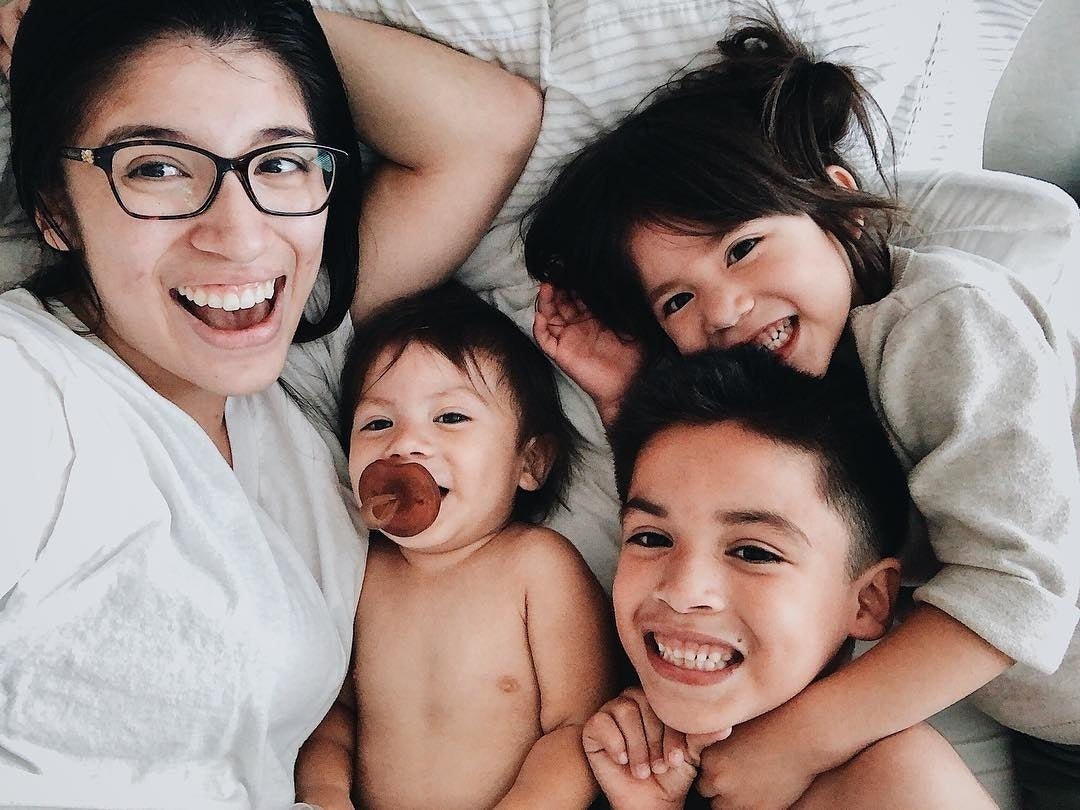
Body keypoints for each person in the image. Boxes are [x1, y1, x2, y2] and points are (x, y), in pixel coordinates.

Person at [524, 11, 1080, 809]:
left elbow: (1017, 583)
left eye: (743, 247)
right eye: (679, 298)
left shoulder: (943, 318)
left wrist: (801, 738)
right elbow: (708, 502)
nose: (724, 310)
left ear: (841, 211)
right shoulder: (798, 373)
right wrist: (625, 399)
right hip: (1041, 722)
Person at [0, 0, 541, 807]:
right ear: (53, 207)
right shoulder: (29, 393)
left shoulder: (313, 382)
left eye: (282, 162)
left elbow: (485, 129)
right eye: (155, 166)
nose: (242, 235)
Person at [583, 348, 996, 809]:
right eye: (651, 539)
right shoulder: (621, 756)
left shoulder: (902, 786)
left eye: (753, 552)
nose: (682, 591)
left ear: (867, 601)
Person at [295, 282, 617, 810]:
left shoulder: (537, 566)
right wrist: (324, 792)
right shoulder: (360, 570)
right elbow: (336, 717)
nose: (404, 445)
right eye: (377, 423)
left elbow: (576, 731)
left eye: (450, 418)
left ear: (530, 463)